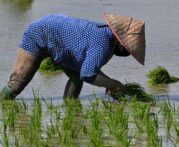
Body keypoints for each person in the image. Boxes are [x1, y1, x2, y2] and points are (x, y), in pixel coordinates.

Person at [0, 13, 145, 100]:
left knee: (76, 78)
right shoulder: (104, 43)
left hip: (61, 42)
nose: (127, 53)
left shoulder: (107, 36)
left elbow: (84, 72)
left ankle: (70, 110)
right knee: (17, 83)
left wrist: (110, 85)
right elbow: (88, 74)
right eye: (127, 49)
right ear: (120, 41)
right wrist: (114, 84)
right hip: (39, 33)